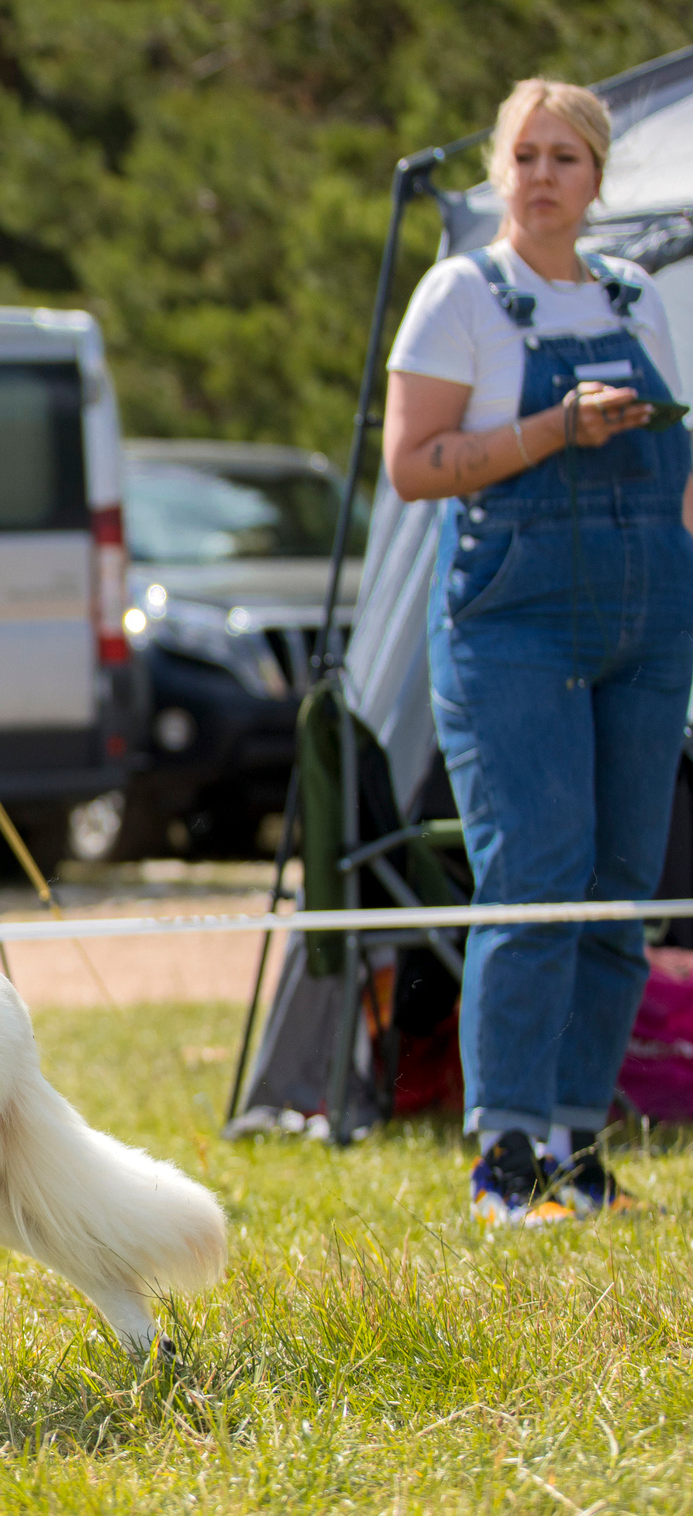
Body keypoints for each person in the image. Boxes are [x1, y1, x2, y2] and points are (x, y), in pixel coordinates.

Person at [384, 76, 689, 1225]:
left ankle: (574, 1138)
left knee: (619, 886)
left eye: (566, 157)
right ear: (499, 172)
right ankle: (503, 1152)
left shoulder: (633, 293)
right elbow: (413, 466)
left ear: (598, 177)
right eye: (525, 155)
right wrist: (554, 429)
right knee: (535, 874)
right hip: (509, 622)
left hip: (649, 618)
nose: (544, 175)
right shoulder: (460, 295)